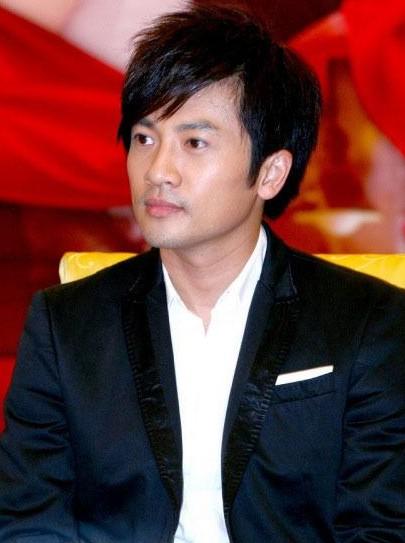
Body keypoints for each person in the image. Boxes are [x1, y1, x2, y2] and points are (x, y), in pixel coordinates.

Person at [1, 5, 404, 542]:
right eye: (144, 139)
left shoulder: (368, 320)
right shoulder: (65, 323)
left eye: (194, 143)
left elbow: (380, 525)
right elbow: (30, 518)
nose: (158, 171)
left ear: (270, 172)